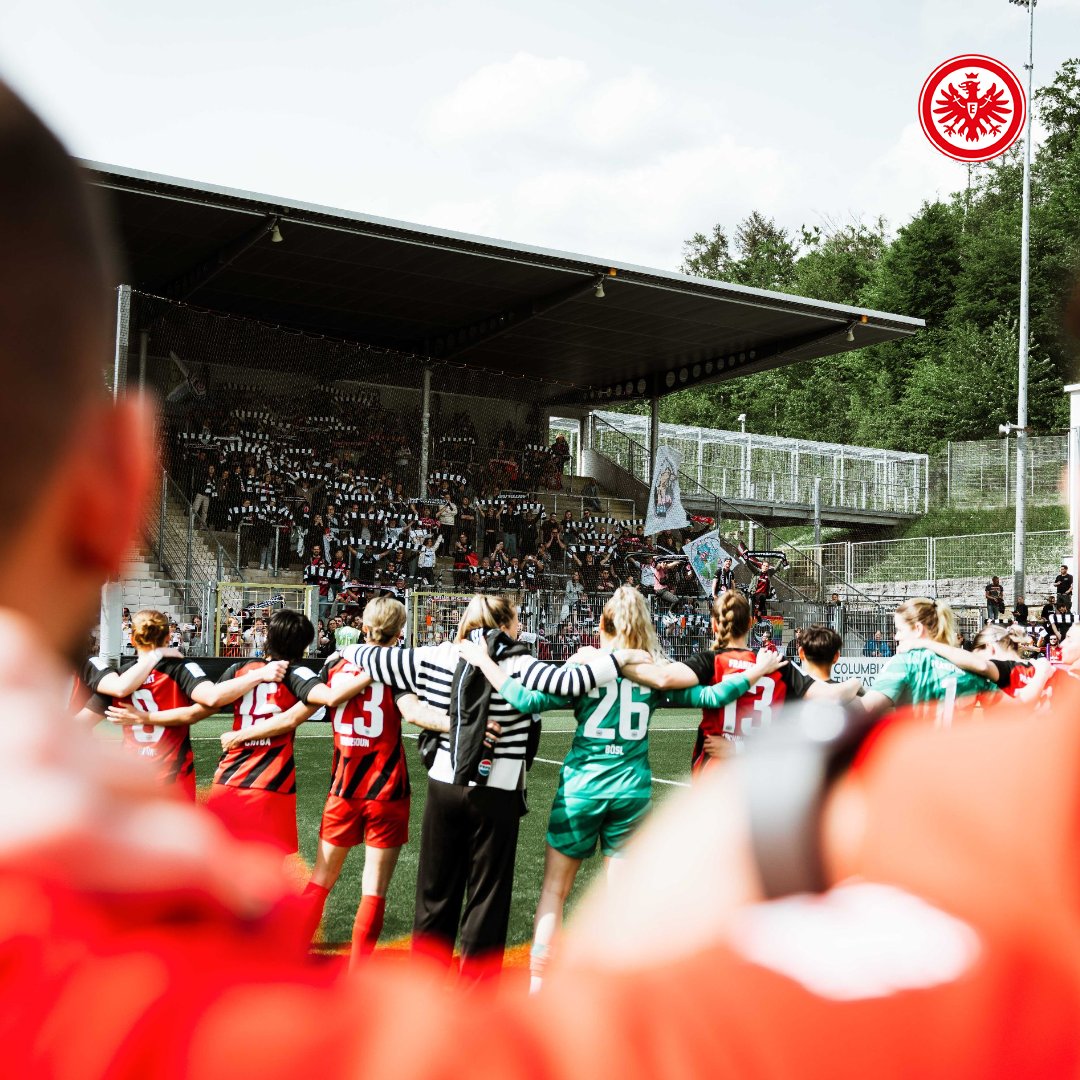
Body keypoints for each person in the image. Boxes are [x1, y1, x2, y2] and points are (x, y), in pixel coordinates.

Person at [6, 76, 1080, 1079]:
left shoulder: (89, 985)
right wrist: (773, 793)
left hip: (462, 780)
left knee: (462, 890)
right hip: (591, 788)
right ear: (124, 484)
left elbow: (409, 690)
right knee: (508, 893)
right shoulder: (974, 839)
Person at [458, 586, 784, 993]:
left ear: (603, 624)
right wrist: (754, 672)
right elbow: (713, 694)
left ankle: (539, 986)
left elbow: (525, 700)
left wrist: (486, 662)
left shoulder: (587, 667)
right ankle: (621, 991)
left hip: (582, 788)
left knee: (555, 891)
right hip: (631, 791)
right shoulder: (651, 671)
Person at [337, 593, 644, 978]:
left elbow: (366, 655)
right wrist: (622, 657)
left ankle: (424, 989)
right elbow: (569, 683)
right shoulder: (520, 663)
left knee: (435, 896)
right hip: (500, 791)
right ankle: (477, 992)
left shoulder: (436, 656)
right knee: (488, 899)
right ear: (502, 625)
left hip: (445, 785)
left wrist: (343, 651)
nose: (519, 628)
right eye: (515, 620)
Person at [221, 599, 446, 961]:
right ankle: (357, 972)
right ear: (400, 631)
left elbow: (293, 717)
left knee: (321, 880)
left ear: (363, 627)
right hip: (387, 788)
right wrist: (462, 725)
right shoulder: (396, 669)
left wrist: (242, 735)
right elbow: (415, 713)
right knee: (374, 889)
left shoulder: (334, 664)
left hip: (343, 788)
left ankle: (289, 957)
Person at [622, 591, 859, 771]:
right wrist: (857, 683)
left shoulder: (711, 661)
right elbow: (832, 696)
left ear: (714, 625)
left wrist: (615, 660)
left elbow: (662, 678)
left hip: (716, 769)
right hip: (761, 772)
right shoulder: (777, 663)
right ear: (750, 623)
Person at [97, 609, 288, 798]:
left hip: (130, 776)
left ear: (132, 640)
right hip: (172, 777)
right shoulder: (181, 668)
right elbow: (211, 698)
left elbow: (84, 720)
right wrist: (258, 674)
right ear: (168, 638)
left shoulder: (120, 677)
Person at [859, 599, 1000, 724]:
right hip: (959, 745)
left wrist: (851, 690)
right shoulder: (969, 666)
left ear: (918, 629)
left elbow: (867, 709)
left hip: (916, 744)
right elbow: (1003, 711)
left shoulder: (904, 662)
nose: (896, 637)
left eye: (899, 630)